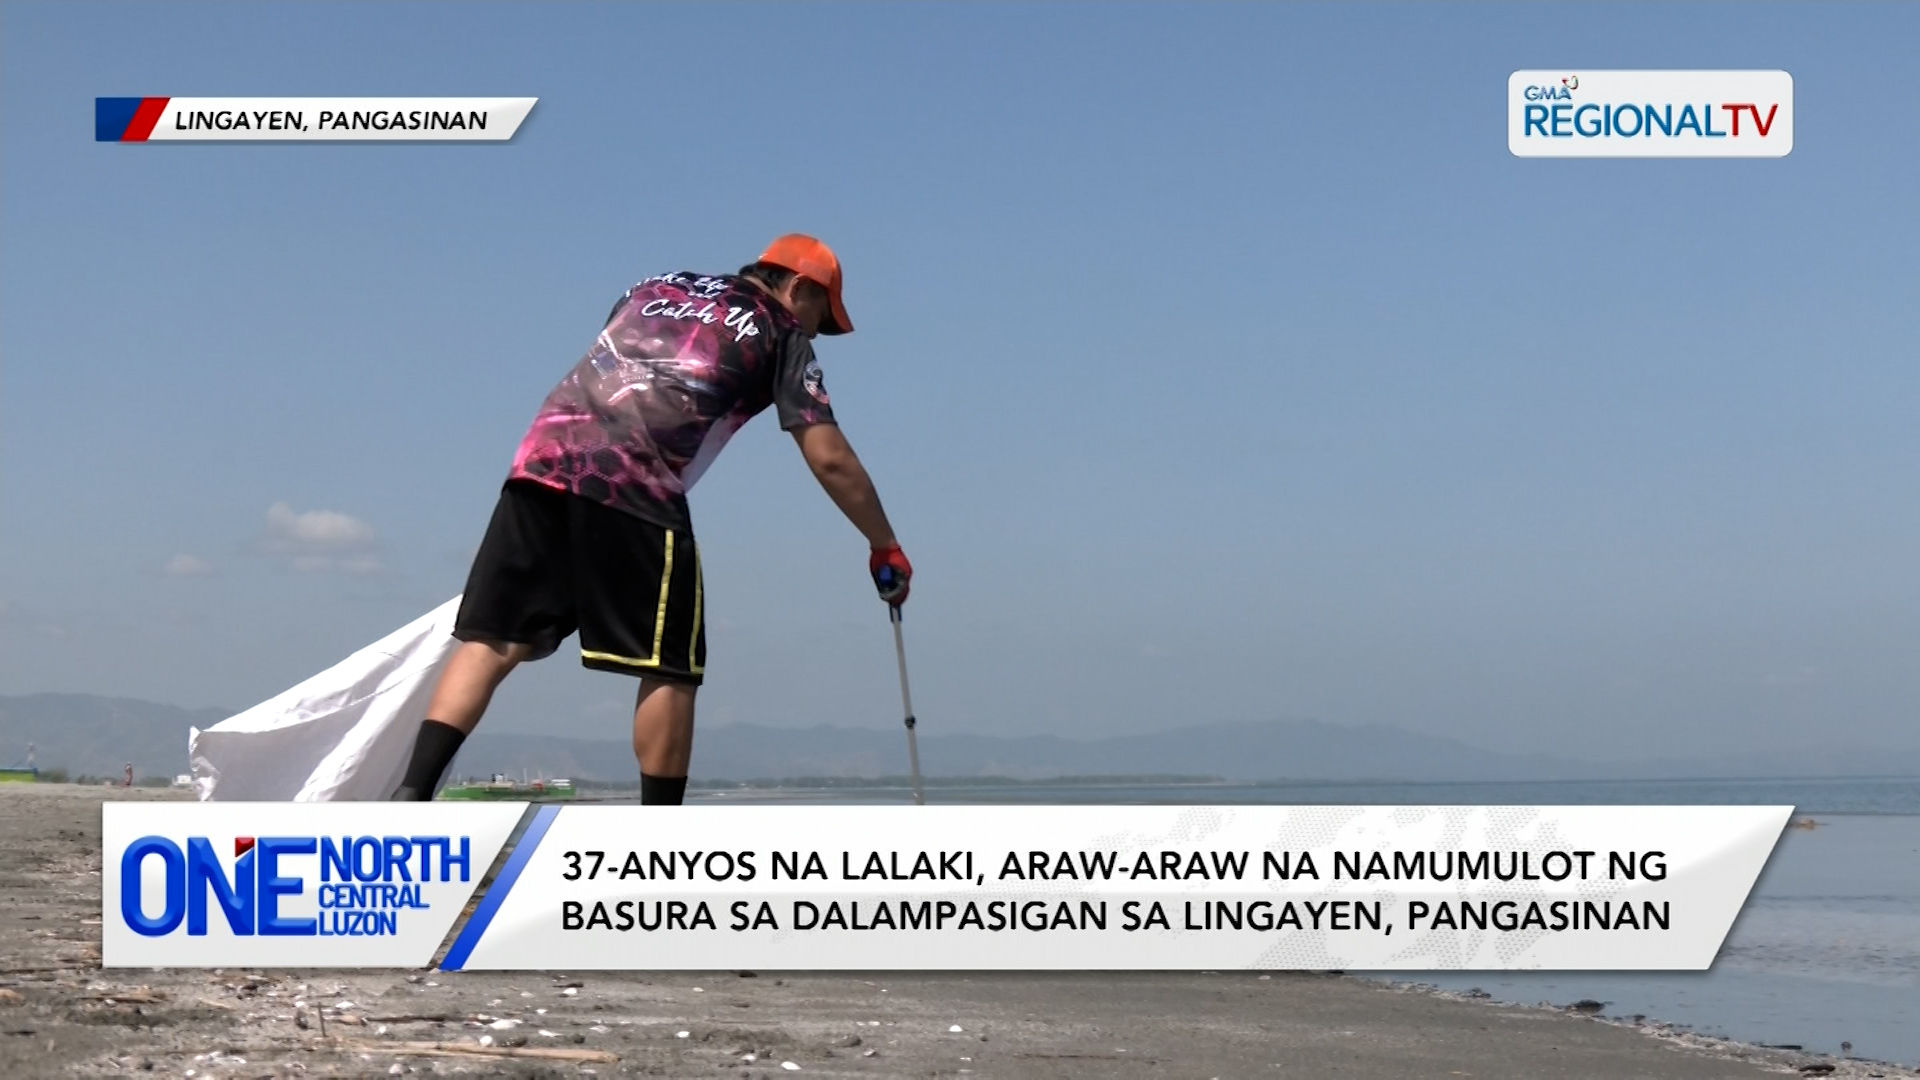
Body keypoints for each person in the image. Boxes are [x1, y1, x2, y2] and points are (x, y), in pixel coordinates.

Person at [391, 234, 911, 804]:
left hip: (540, 461)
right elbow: (829, 455)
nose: (816, 332)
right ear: (799, 286)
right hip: (631, 480)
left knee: (493, 642)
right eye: (820, 316)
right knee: (670, 671)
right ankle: (657, 837)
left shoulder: (654, 285)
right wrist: (882, 542)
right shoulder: (782, 332)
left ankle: (410, 800)